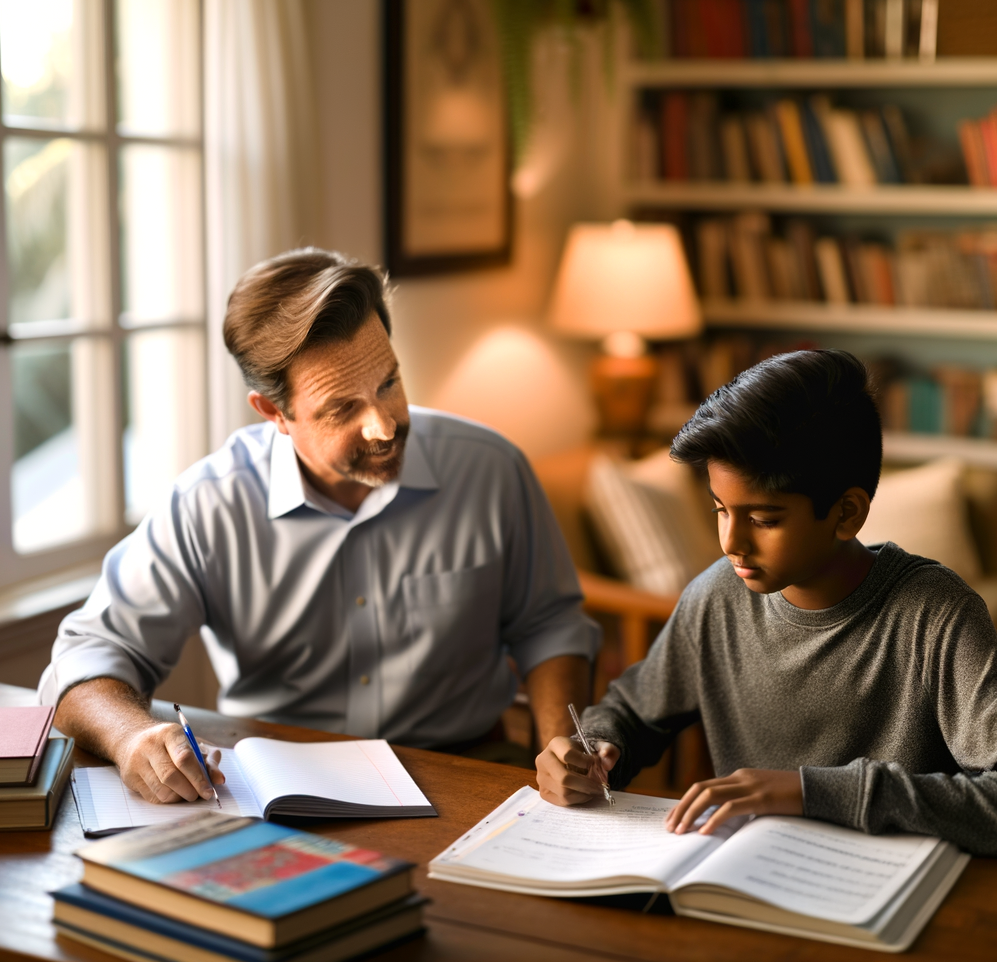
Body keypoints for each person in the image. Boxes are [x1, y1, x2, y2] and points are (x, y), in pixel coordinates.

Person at [42, 248, 600, 805]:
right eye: (341, 409)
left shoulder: (491, 469)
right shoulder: (210, 504)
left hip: (466, 767)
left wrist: (560, 745)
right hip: (276, 790)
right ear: (274, 414)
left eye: (389, 383)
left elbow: (549, 625)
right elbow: (87, 658)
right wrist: (130, 735)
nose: (383, 426)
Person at [534, 349, 997, 857]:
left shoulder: (935, 614)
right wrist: (595, 749)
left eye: (764, 519)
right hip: (755, 876)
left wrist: (811, 791)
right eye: (720, 509)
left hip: (892, 892)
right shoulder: (716, 597)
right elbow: (632, 711)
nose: (731, 542)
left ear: (848, 513)